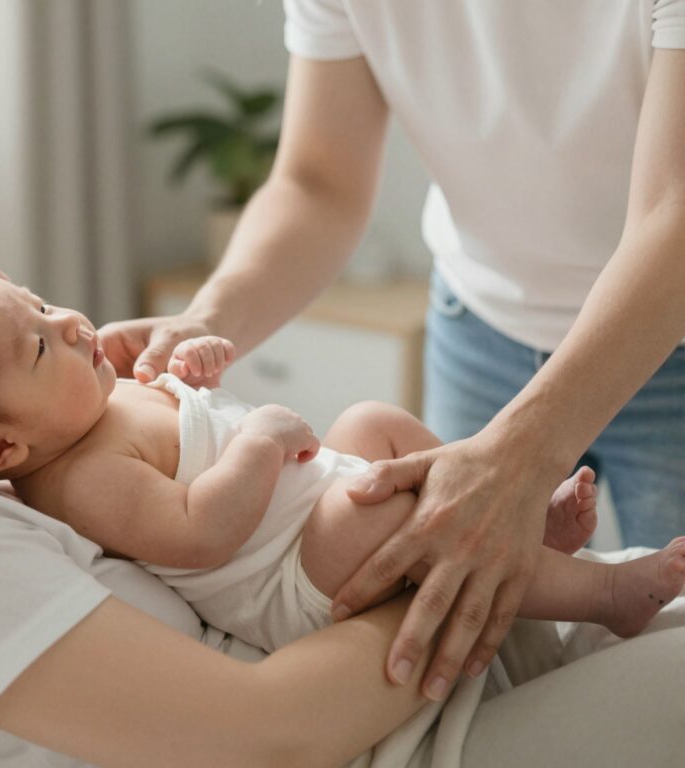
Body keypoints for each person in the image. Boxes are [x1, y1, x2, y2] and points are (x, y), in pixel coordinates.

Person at [0, 142, 685, 768]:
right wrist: (457, 553)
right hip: (427, 730)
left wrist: (124, 401)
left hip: (440, 685)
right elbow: (270, 736)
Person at [98, 0, 685, 702]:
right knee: (492, 654)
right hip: (479, 325)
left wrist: (518, 456)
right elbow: (318, 183)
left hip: (666, 332)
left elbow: (674, 214)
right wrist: (207, 319)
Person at [0, 275, 685, 662]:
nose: (66, 322)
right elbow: (201, 532)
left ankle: (522, 531)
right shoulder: (78, 478)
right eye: (37, 343)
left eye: (39, 302)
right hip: (294, 577)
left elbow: (195, 409)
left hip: (317, 500)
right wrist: (260, 441)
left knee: (376, 425)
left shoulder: (102, 405)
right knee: (382, 511)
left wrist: (198, 365)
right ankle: (607, 596)